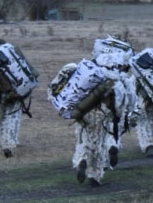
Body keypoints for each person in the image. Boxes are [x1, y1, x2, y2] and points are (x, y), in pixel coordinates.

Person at [48, 45, 137, 186]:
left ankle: (81, 160)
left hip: (84, 109)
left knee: (83, 137)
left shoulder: (89, 69)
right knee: (98, 142)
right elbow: (129, 98)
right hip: (104, 113)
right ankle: (94, 175)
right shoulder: (117, 77)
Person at [0, 39, 41, 158]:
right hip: (19, 89)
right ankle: (8, 144)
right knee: (12, 116)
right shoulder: (12, 51)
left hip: (2, 91)